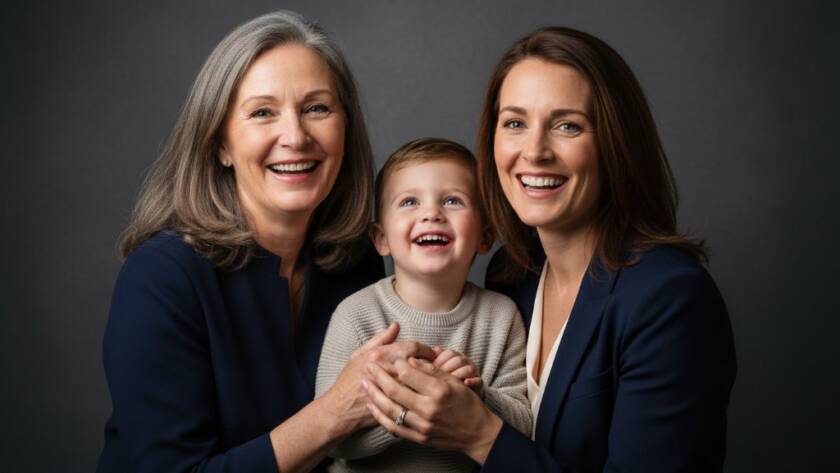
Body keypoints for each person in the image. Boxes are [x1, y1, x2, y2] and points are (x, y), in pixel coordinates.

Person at [360, 27, 737, 472]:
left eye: (567, 126)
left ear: (615, 145)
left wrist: (481, 435)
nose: (534, 152)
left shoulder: (670, 299)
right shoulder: (513, 273)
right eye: (515, 123)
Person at [97, 11, 437, 473]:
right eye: (262, 113)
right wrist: (332, 415)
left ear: (346, 130)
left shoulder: (353, 261)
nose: (295, 137)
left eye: (317, 108)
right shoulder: (161, 278)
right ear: (220, 143)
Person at [314, 138, 531, 472]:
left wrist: (476, 398)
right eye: (409, 202)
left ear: (485, 237)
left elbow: (524, 425)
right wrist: (415, 406)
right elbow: (331, 440)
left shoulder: (501, 316)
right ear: (381, 238)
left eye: (453, 201)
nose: (431, 213)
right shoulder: (356, 314)